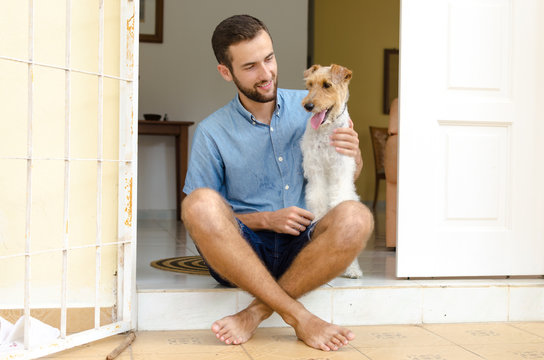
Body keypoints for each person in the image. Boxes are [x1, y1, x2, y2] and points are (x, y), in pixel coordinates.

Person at [181, 14, 374, 352]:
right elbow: (201, 221)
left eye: (269, 58)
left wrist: (353, 154)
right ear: (226, 72)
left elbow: (346, 173)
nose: (266, 73)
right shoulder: (212, 132)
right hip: (243, 252)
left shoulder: (314, 105)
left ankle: (255, 313)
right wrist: (266, 219)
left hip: (305, 249)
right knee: (196, 203)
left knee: (357, 217)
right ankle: (301, 317)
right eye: (250, 66)